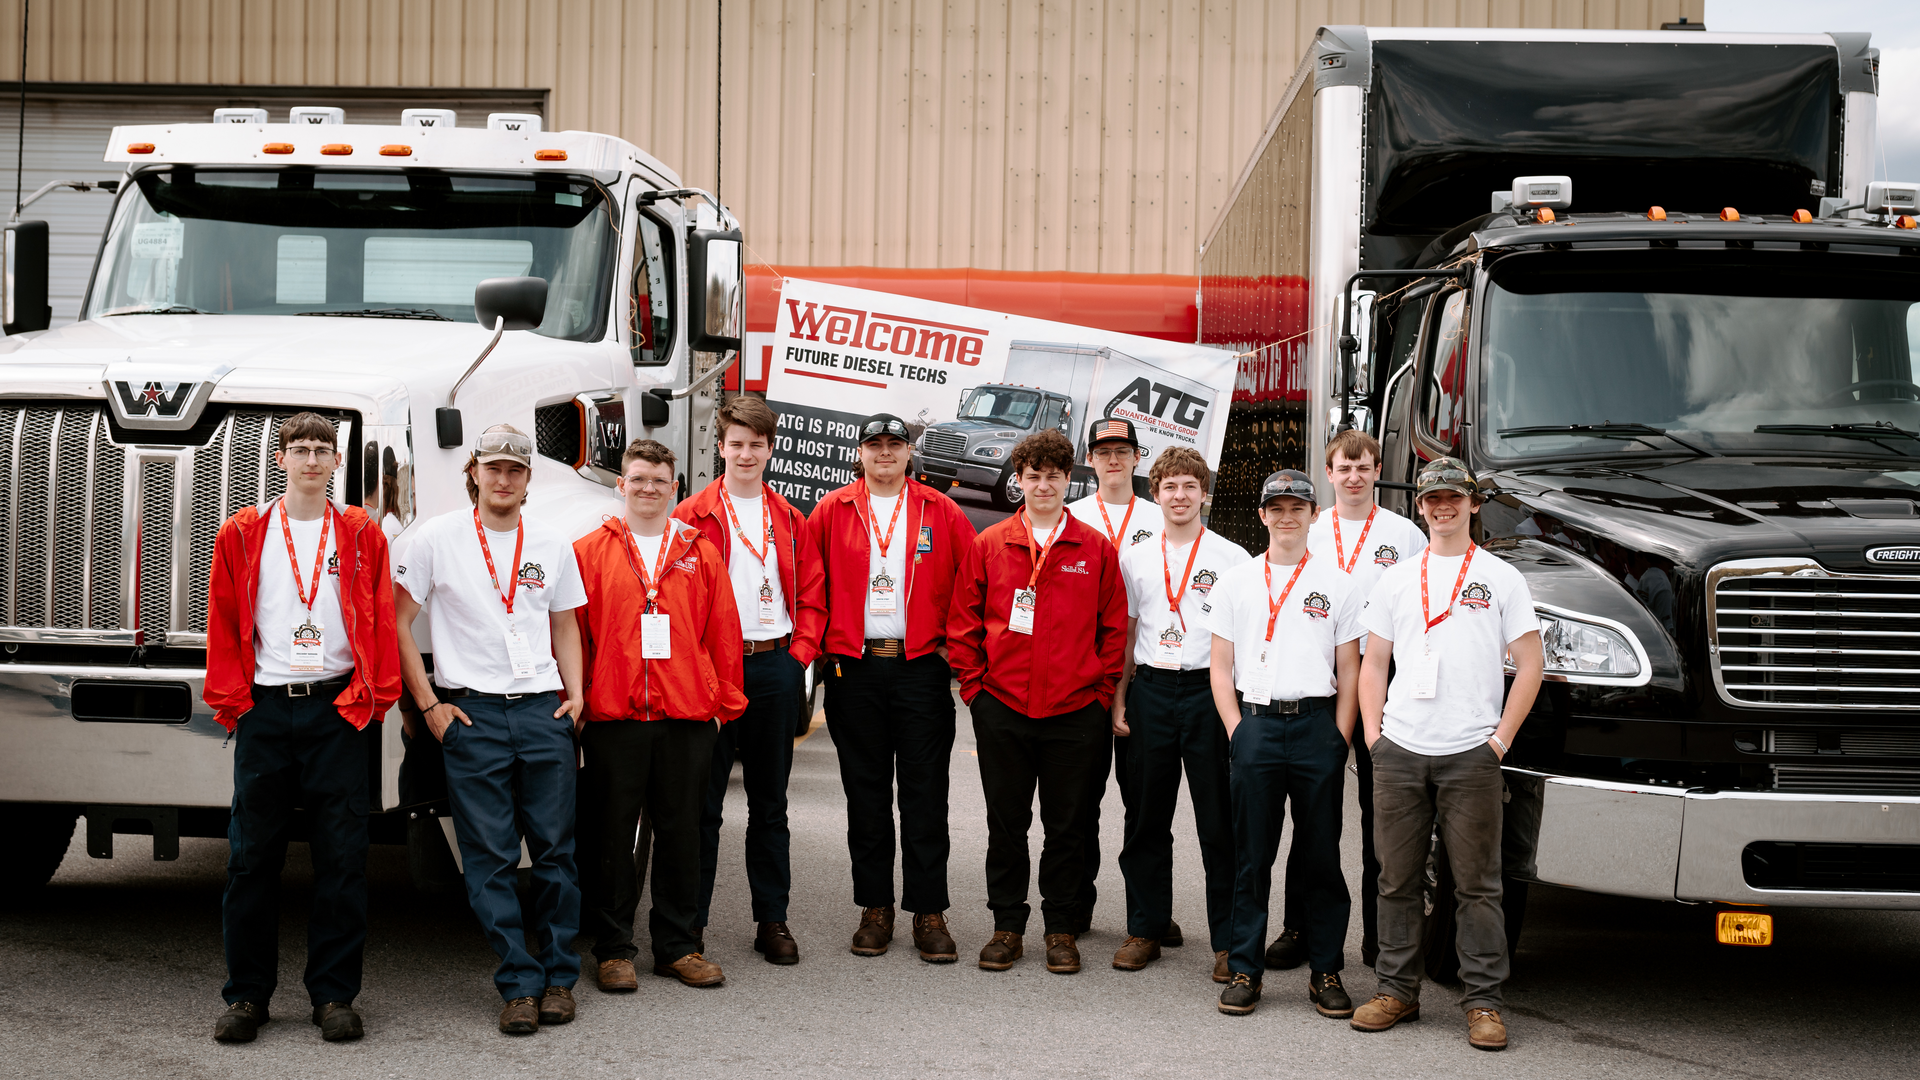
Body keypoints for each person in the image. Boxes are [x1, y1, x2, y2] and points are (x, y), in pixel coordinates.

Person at [204, 412, 400, 1045]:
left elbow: (377, 617)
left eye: (323, 450)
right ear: (281, 458)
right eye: (301, 449)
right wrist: (232, 698)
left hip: (336, 709)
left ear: (336, 463)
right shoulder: (243, 532)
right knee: (250, 857)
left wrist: (372, 697)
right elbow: (224, 616)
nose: (312, 460)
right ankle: (247, 995)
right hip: (266, 707)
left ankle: (335, 994)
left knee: (341, 857)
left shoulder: (361, 533)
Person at [393, 425, 587, 1036]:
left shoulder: (552, 543)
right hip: (471, 715)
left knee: (555, 851)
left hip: (540, 711)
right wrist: (429, 706)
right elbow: (399, 623)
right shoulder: (436, 539)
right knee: (490, 858)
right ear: (473, 471)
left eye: (515, 471)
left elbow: (564, 628)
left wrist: (575, 695)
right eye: (493, 468)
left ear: (529, 480)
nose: (503, 480)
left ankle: (560, 978)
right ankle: (519, 983)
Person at [1349, 456, 1544, 1051]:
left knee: (1479, 885)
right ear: (1421, 506)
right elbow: (1373, 661)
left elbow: (1531, 661)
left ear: (1473, 503)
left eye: (1454, 497)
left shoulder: (1501, 577)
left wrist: (1499, 741)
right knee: (1396, 879)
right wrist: (1375, 737)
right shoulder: (1397, 579)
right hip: (1402, 749)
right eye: (1432, 499)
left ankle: (1484, 1003)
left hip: (1471, 754)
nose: (1442, 507)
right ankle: (1396, 992)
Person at [948, 428, 1127, 975]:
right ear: (1018, 482)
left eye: (1054, 475)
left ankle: (1060, 929)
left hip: (1074, 712)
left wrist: (1099, 694)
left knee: (1068, 825)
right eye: (1033, 476)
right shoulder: (990, 543)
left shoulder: (1093, 548)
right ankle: (1007, 924)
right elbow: (963, 625)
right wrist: (977, 692)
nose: (1043, 485)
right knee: (1007, 823)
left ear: (1068, 481)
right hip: (1003, 707)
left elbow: (1113, 629)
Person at [573, 439, 748, 995]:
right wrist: (578, 702)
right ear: (620, 485)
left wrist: (721, 706)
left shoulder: (700, 551)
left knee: (681, 834)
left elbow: (723, 633)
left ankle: (678, 945)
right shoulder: (588, 551)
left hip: (686, 717)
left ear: (675, 488)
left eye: (659, 480)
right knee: (612, 838)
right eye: (638, 479)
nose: (648, 489)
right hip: (614, 717)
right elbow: (573, 635)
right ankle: (614, 949)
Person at [808, 413, 977, 961]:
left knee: (926, 795)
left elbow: (969, 585)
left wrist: (953, 648)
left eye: (895, 444)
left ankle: (929, 910)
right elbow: (810, 584)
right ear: (859, 452)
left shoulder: (941, 510)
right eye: (874, 444)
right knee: (867, 794)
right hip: (853, 670)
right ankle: (875, 907)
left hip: (919, 669)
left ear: (909, 453)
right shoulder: (832, 511)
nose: (885, 452)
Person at [673, 396, 825, 964]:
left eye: (757, 445)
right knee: (702, 806)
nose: (746, 453)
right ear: (720, 447)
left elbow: (812, 595)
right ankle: (690, 927)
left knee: (770, 804)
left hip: (773, 667)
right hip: (711, 671)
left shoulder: (789, 518)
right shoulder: (690, 515)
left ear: (769, 449)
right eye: (736, 443)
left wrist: (797, 658)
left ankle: (772, 921)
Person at [1268, 430, 1427, 971]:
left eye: (1363, 466)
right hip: (1323, 686)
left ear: (1377, 469)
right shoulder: (1310, 527)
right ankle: (1299, 927)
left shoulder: (1405, 535)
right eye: (1343, 468)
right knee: (1314, 818)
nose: (1354, 477)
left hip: (1382, 683)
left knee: (1380, 819)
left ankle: (1380, 940)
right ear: (1329, 474)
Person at [1208, 470, 1362, 1017]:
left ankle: (1325, 971)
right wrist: (1237, 729)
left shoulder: (1340, 583)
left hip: (1317, 726)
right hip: (1257, 727)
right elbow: (1221, 667)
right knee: (1252, 858)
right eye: (1277, 507)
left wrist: (1339, 740)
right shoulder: (1236, 582)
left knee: (1321, 858)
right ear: (1262, 515)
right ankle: (1246, 969)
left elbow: (1350, 668)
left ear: (1314, 515)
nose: (1287, 516)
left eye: (1298, 507)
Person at [1109, 447, 1251, 981]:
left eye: (1190, 486)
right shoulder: (1135, 556)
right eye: (1170, 486)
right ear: (1156, 493)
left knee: (1219, 823)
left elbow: (1243, 639)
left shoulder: (1233, 558)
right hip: (1150, 691)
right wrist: (1120, 697)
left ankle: (1228, 941)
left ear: (1204, 494)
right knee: (1146, 818)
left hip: (1209, 695)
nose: (1180, 496)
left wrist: (1240, 712)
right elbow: (1126, 635)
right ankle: (1145, 928)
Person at [1064, 417, 1164, 936]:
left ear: (1136, 456)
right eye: (1103, 452)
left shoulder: (1160, 515)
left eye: (1122, 450)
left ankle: (1147, 913)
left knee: (1143, 806)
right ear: (1091, 459)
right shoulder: (1071, 516)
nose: (1113, 460)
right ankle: (1076, 907)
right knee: (1080, 804)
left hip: (1139, 674)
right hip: (1083, 678)